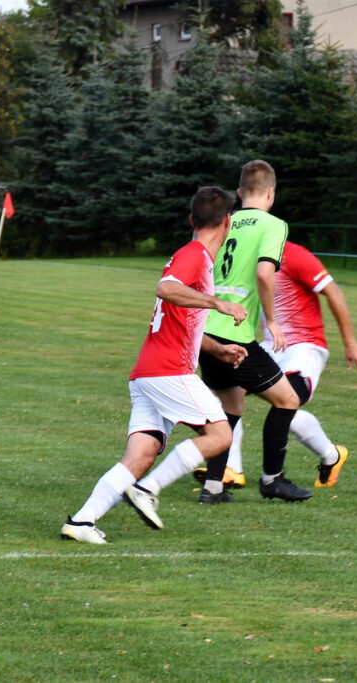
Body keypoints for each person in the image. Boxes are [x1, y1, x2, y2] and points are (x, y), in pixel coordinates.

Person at [60, 186, 249, 544]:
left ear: (191, 219)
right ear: (228, 221)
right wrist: (217, 303)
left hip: (148, 372)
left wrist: (217, 349)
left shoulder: (195, 258)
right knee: (221, 435)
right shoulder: (194, 255)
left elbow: (179, 321)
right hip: (169, 370)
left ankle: (82, 522)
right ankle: (147, 490)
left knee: (141, 453)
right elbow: (165, 288)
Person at [194, 241, 357, 490]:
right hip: (271, 346)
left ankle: (330, 456)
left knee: (286, 403)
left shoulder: (293, 254)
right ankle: (231, 470)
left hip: (304, 346)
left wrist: (351, 342)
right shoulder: (245, 256)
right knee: (224, 393)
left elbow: (333, 291)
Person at [196, 159, 310, 503]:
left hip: (206, 331)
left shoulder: (225, 222)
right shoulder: (274, 225)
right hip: (235, 333)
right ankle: (273, 479)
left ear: (240, 193)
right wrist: (272, 321)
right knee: (288, 398)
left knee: (230, 407)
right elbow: (264, 274)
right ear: (271, 192)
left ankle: (213, 486)